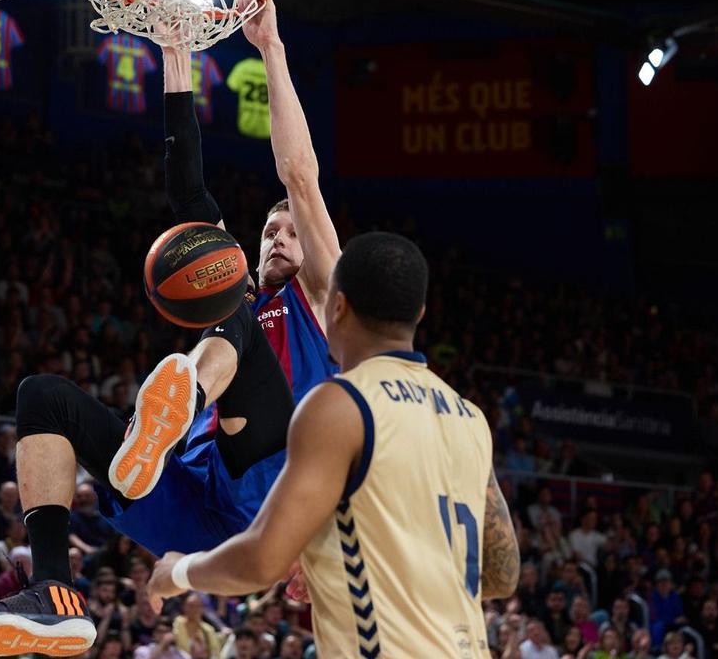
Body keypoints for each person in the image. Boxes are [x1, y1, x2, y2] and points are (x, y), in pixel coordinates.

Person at [0, 0, 342, 656]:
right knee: (43, 398)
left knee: (239, 327)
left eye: (290, 233)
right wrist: (174, 57)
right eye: (269, 230)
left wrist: (270, 49)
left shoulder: (325, 303)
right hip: (195, 506)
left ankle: (178, 401)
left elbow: (300, 177)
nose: (280, 237)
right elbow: (190, 195)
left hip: (273, 491)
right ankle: (54, 594)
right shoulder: (243, 291)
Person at [146, 233, 520, 657]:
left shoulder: (339, 404)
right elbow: (501, 576)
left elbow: (262, 562)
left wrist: (176, 571)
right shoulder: (468, 417)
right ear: (418, 313)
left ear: (337, 306)